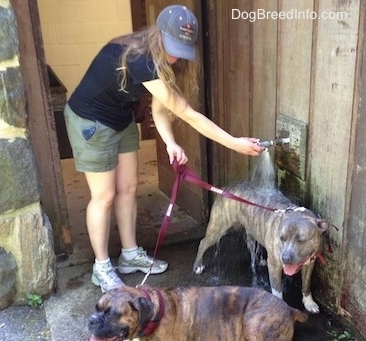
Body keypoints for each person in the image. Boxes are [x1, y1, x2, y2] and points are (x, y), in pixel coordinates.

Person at [64, 4, 264, 293]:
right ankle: (102, 267)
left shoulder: (160, 61)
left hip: (120, 119)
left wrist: (170, 143)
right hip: (90, 120)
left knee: (129, 186)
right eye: (171, 47)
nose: (174, 56)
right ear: (158, 35)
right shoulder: (140, 58)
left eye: (180, 49)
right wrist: (234, 143)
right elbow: (185, 112)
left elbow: (160, 108)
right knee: (104, 195)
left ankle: (130, 254)